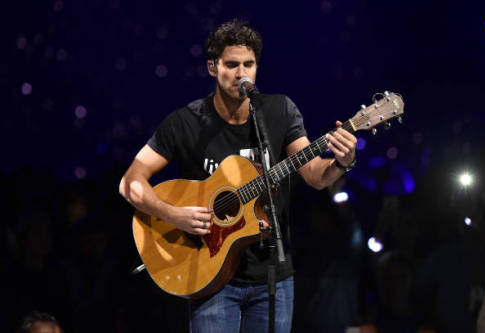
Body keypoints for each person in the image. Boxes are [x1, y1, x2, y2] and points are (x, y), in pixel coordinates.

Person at [119, 19, 357, 332]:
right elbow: (130, 182)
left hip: (274, 276)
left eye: (249, 64)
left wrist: (342, 162)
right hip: (209, 273)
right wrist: (172, 214)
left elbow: (314, 176)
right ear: (212, 67)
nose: (241, 73)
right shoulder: (186, 122)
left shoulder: (279, 111)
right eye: (231, 64)